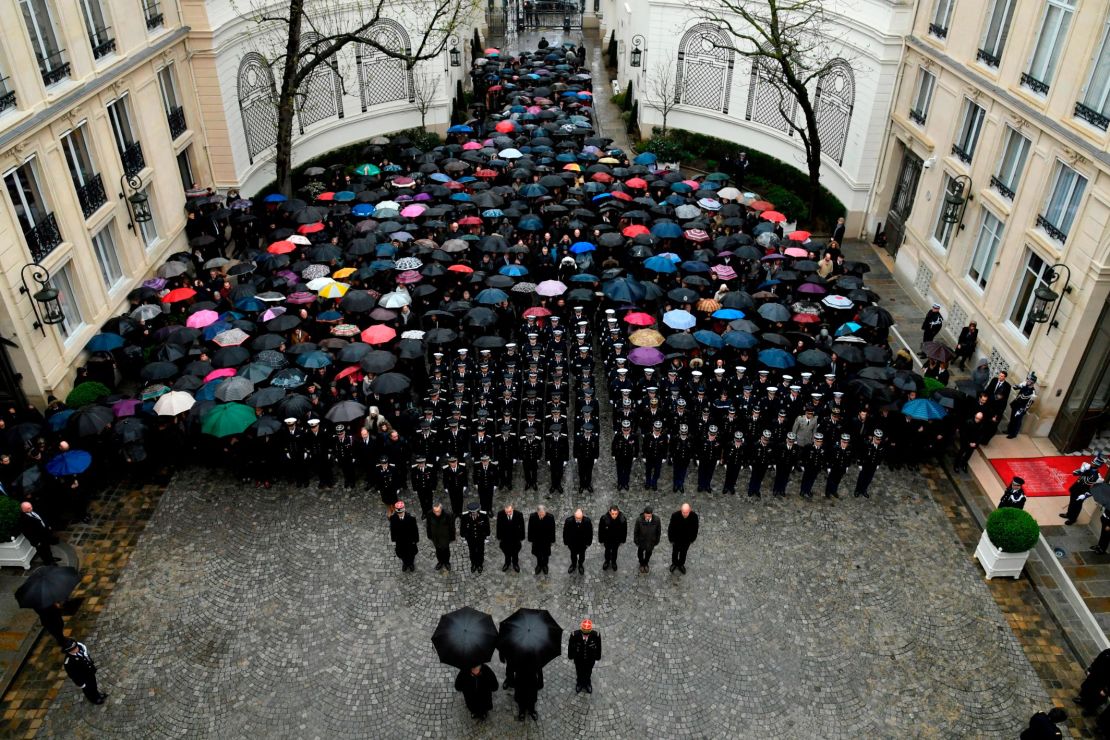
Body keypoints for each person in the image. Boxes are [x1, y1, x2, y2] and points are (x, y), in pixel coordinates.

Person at [62, 638, 106, 705]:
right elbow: (73, 675)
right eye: (73, 649)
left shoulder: (80, 649)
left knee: (94, 685)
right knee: (88, 690)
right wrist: (81, 684)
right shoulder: (69, 662)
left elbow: (86, 657)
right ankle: (94, 699)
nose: (77, 649)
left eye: (76, 647)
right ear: (68, 651)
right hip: (84, 678)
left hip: (89, 672)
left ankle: (97, 694)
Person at [1062, 457, 1103, 525]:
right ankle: (1068, 514)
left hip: (1082, 491)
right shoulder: (1088, 468)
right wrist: (1081, 470)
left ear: (1097, 465)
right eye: (1092, 461)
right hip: (1076, 487)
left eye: (1093, 462)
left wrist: (1085, 495)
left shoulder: (1096, 476)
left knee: (1077, 506)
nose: (1091, 462)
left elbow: (1094, 488)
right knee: (1072, 502)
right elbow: (1075, 473)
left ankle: (1073, 519)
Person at [568, 619, 602, 694]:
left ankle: (587, 683)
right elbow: (570, 647)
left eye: (587, 634)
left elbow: (599, 647)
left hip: (590, 660)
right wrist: (570, 656)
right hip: (579, 660)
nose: (585, 635)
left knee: (588, 672)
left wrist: (597, 657)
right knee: (579, 672)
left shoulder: (596, 635)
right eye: (584, 633)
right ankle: (579, 683)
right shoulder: (574, 635)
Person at [19, 501, 58, 565]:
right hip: (38, 539)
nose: (31, 509)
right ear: (23, 510)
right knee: (43, 551)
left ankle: (51, 558)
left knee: (48, 548)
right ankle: (48, 562)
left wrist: (48, 526)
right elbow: (27, 533)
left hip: (45, 534)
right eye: (28, 508)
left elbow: (42, 518)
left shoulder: (35, 510)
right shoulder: (23, 519)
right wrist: (36, 542)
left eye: (31, 507)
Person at [668, 503, 699, 574]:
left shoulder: (694, 516)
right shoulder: (675, 515)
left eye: (686, 512)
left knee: (684, 553)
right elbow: (671, 528)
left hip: (686, 540)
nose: (685, 514)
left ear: (690, 510)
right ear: (681, 510)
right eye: (683, 512)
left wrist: (692, 539)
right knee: (675, 552)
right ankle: (674, 563)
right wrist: (671, 539)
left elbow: (695, 529)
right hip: (676, 539)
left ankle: (681, 564)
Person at [388, 501, 419, 571]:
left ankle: (411, 564)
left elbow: (415, 531)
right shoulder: (393, 518)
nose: (400, 514)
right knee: (402, 554)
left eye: (401, 513)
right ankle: (405, 563)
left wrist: (415, 540)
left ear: (404, 510)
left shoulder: (411, 519)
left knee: (411, 553)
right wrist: (394, 539)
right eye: (398, 513)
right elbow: (392, 529)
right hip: (400, 541)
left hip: (410, 541)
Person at [460, 502, 490, 572]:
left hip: (480, 538)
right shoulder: (465, 516)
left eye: (475, 512)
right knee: (472, 552)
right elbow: (462, 528)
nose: (473, 514)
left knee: (480, 552)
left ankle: (480, 564)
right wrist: (463, 537)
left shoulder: (484, 515)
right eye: (472, 512)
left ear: (478, 510)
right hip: (470, 539)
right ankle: (473, 564)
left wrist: (487, 536)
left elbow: (487, 527)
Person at [853, 429, 884, 498]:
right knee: (861, 478)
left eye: (879, 440)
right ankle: (857, 490)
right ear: (873, 437)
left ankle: (864, 490)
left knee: (868, 479)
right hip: (865, 465)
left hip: (873, 466)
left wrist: (878, 464)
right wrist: (860, 463)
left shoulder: (881, 446)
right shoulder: (867, 444)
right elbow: (861, 454)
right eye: (877, 439)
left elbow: (880, 455)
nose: (878, 441)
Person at [1006, 373, 1037, 439]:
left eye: (1029, 380)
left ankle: (1013, 434)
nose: (1027, 381)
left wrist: (1022, 410)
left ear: (1033, 382)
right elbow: (1014, 387)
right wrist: (1020, 385)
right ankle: (1008, 430)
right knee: (1012, 418)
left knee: (1017, 421)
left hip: (1021, 407)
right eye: (1027, 379)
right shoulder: (1024, 385)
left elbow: (1029, 404)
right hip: (1016, 404)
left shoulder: (1033, 392)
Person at [496, 503, 525, 572]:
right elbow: (498, 526)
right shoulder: (500, 514)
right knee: (507, 553)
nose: (508, 513)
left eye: (510, 511)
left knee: (515, 553)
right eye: (506, 512)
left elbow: (522, 527)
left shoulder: (519, 514)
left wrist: (521, 537)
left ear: (513, 509)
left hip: (515, 539)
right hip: (505, 539)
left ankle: (515, 564)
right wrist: (499, 537)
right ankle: (507, 563)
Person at [426, 502, 455, 571]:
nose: (437, 513)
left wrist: (452, 537)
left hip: (445, 537)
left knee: (446, 551)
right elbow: (428, 526)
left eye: (438, 511)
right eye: (435, 511)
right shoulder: (429, 514)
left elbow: (452, 527)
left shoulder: (448, 515)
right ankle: (440, 562)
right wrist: (429, 536)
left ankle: (447, 562)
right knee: (438, 551)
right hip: (436, 537)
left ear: (441, 509)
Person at [597, 505, 627, 571]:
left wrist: (623, 540)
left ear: (618, 512)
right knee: (607, 550)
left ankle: (613, 562)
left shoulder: (622, 519)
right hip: (607, 540)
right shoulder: (604, 519)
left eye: (616, 514)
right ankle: (607, 561)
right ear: (610, 512)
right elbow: (601, 530)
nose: (614, 515)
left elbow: (624, 531)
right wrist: (601, 540)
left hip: (617, 540)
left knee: (615, 551)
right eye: (613, 514)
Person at [528, 504, 556, 574]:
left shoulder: (550, 517)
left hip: (546, 540)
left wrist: (552, 540)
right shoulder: (532, 516)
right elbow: (530, 528)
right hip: (536, 540)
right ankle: (539, 565)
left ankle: (545, 565)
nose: (542, 516)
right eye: (540, 514)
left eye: (543, 514)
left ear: (545, 512)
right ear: (537, 512)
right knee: (538, 554)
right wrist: (531, 539)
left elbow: (552, 530)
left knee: (546, 554)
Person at [563, 508, 593, 574]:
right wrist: (566, 542)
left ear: (583, 515)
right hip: (572, 544)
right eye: (577, 518)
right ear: (574, 515)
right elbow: (565, 533)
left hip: (582, 544)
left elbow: (590, 533)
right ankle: (573, 565)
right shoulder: (568, 521)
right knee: (573, 555)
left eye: (580, 518)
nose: (578, 519)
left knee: (582, 556)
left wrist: (588, 543)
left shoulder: (587, 521)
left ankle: (580, 565)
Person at [634, 506, 661, 573]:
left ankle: (646, 563)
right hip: (641, 541)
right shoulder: (639, 520)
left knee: (648, 553)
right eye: (646, 516)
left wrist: (656, 540)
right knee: (640, 553)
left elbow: (658, 531)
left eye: (649, 516)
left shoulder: (657, 520)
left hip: (651, 541)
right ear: (644, 514)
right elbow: (636, 531)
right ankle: (641, 563)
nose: (648, 517)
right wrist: (636, 541)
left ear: (651, 514)